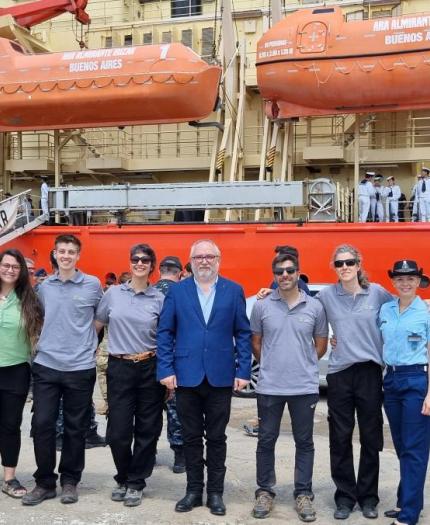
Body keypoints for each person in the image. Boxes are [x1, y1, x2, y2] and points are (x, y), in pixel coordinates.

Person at [157, 239, 252, 516]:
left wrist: (243, 370)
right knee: (190, 437)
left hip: (221, 377)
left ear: (218, 260)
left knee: (217, 438)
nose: (204, 261)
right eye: (199, 257)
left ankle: (215, 493)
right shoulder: (178, 292)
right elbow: (165, 333)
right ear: (191, 261)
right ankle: (193, 491)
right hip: (186, 376)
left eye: (210, 256)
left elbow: (243, 334)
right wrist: (165, 369)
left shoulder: (233, 291)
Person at [22, 234, 103, 506]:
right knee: (41, 424)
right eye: (61, 251)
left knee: (75, 427)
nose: (66, 256)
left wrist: (87, 344)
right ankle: (45, 482)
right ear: (55, 255)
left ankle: (70, 481)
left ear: (78, 256)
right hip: (46, 366)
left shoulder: (93, 285)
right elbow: (37, 318)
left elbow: (100, 319)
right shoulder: (45, 288)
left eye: (71, 251)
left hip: (80, 368)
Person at [316, 244, 393, 520]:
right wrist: (266, 291)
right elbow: (299, 298)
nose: (344, 268)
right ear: (334, 268)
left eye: (349, 262)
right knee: (339, 436)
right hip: (339, 373)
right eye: (339, 264)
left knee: (371, 437)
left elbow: (401, 309)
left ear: (358, 264)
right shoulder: (326, 295)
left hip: (370, 372)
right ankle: (345, 497)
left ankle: (369, 497)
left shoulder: (378, 293)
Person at [250, 252, 328, 522]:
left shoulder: (315, 307)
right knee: (266, 440)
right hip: (270, 386)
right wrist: (272, 364)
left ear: (298, 273)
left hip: (304, 386)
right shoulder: (262, 306)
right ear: (274, 275)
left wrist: (303, 363)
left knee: (304, 442)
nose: (284, 275)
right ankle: (264, 491)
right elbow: (256, 343)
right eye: (279, 272)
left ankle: (303, 493)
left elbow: (321, 345)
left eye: (289, 271)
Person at [95, 244, 166, 507]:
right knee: (118, 431)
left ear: (152, 265)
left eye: (145, 259)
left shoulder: (159, 299)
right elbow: (97, 327)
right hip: (120, 367)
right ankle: (123, 476)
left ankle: (136, 482)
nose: (139, 263)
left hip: (150, 366)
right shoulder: (113, 294)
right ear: (129, 262)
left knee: (148, 429)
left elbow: (167, 336)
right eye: (135, 259)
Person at [379, 260, 430, 525]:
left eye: (411, 278)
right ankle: (407, 502)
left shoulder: (426, 312)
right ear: (393, 282)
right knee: (402, 446)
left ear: (419, 280)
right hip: (392, 379)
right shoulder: (386, 309)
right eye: (400, 278)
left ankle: (409, 515)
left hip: (416, 380)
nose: (405, 283)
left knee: (415, 448)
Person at [0, 249, 43, 499]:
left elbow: (39, 333)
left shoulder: (28, 299)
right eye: (6, 265)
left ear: (22, 271)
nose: (9, 270)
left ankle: (9, 477)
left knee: (10, 425)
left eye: (15, 267)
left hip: (16, 370)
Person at [155, 256, 186, 474]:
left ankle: (148, 453)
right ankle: (180, 456)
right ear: (180, 273)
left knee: (149, 410)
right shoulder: (182, 294)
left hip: (147, 361)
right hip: (176, 362)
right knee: (176, 411)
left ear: (159, 271)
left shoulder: (149, 292)